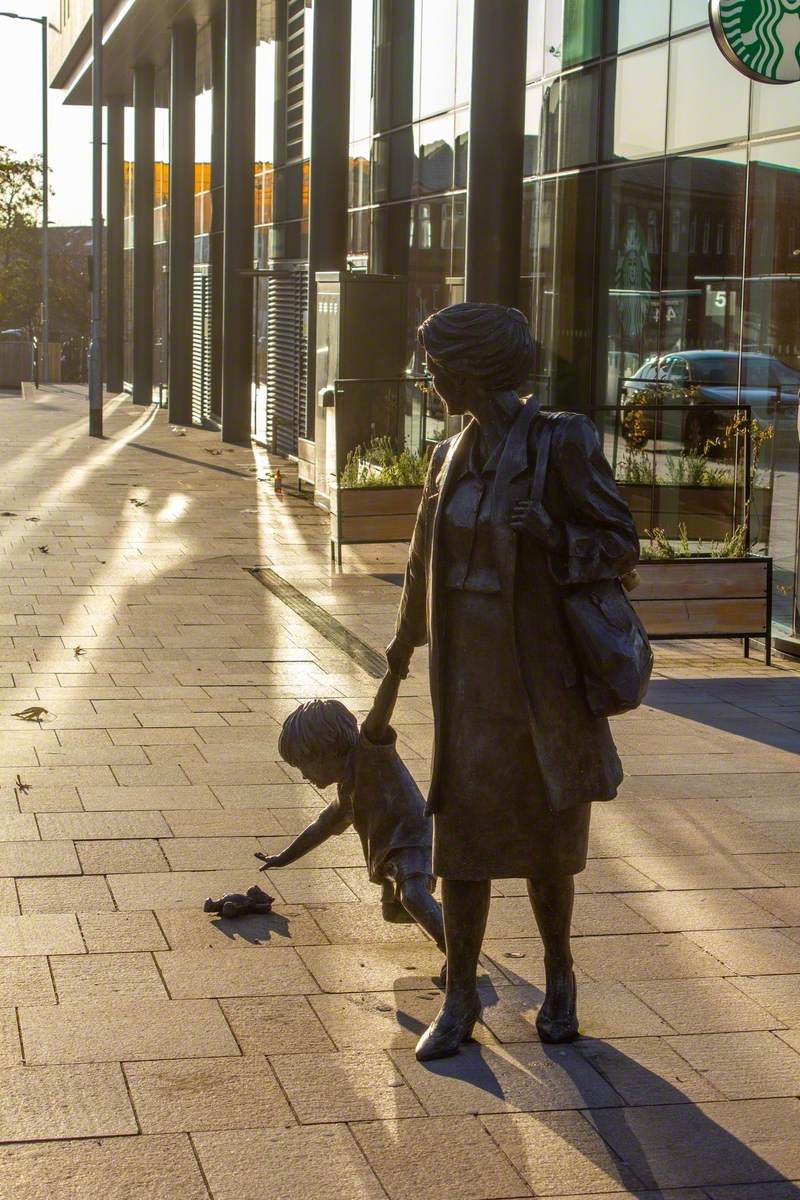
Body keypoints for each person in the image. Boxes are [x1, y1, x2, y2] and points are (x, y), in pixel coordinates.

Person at [386, 302, 640, 1061]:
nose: (427, 379)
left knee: (545, 839)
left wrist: (553, 534)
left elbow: (620, 544)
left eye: (435, 366)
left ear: (472, 368)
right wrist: (399, 654)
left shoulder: (560, 440)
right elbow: (420, 567)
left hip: (539, 682)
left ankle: (559, 975)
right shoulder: (447, 454)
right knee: (459, 838)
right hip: (466, 681)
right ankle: (459, 995)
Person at [256, 682, 446, 975]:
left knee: (413, 896)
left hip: (413, 838)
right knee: (395, 912)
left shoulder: (371, 751)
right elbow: (320, 827)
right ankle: (454, 923)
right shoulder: (347, 793)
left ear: (327, 752)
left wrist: (395, 670)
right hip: (390, 854)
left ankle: (459, 955)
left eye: (305, 765)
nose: (305, 775)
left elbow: (381, 710)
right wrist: (283, 857)